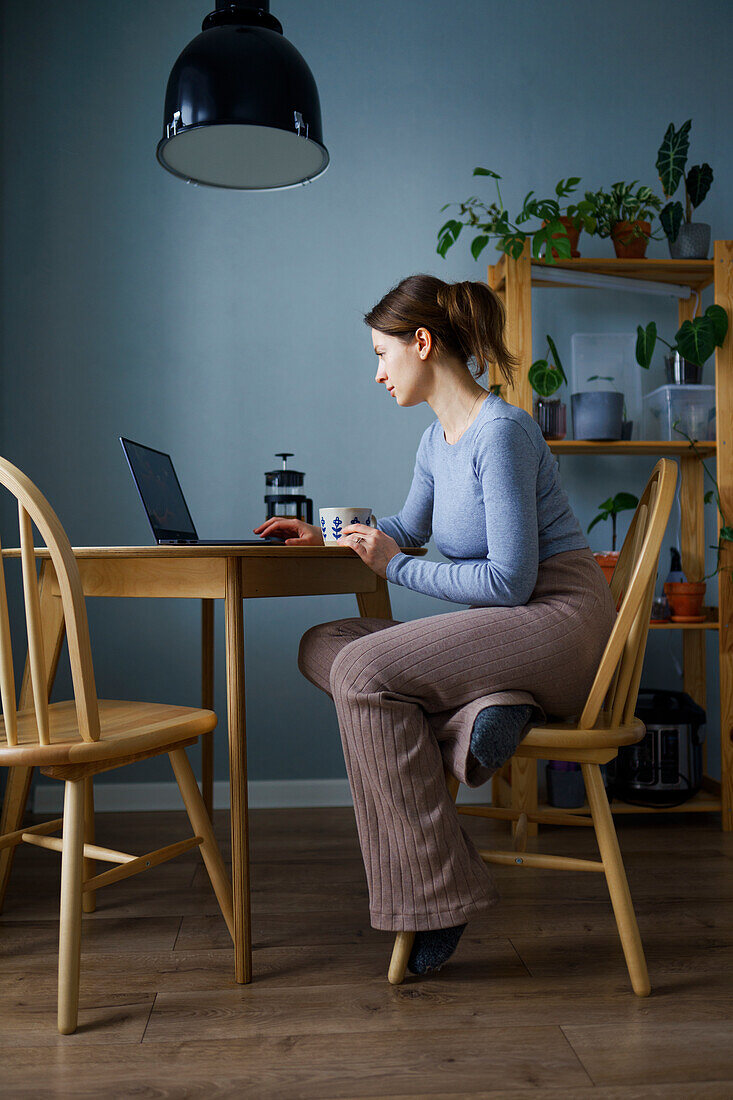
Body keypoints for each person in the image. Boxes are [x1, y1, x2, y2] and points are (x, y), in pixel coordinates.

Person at [253, 274, 616, 976]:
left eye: (382, 354)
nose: (376, 374)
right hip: (509, 631)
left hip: (558, 622)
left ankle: (436, 895)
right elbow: (405, 529)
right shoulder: (434, 441)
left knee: (363, 671)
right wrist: (330, 535)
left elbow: (509, 582)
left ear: (422, 343)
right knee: (323, 644)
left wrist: (392, 568)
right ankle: (483, 713)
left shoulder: (500, 432)